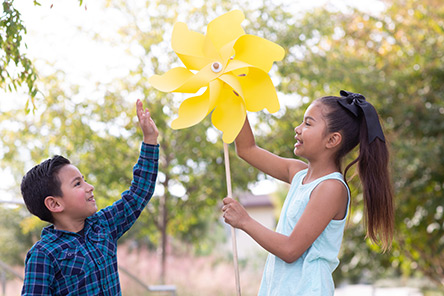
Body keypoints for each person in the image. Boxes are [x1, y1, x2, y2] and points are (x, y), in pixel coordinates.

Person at [222, 90, 394, 295]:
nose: (298, 129)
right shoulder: (297, 172)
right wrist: (234, 97)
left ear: (332, 140)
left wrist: (244, 221)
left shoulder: (331, 188)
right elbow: (247, 149)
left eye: (308, 123)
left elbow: (290, 250)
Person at [20, 99, 159, 296]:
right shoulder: (44, 255)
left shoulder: (103, 226)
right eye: (77, 183)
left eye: (84, 180)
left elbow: (138, 194)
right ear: (55, 203)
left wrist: (150, 140)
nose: (90, 187)